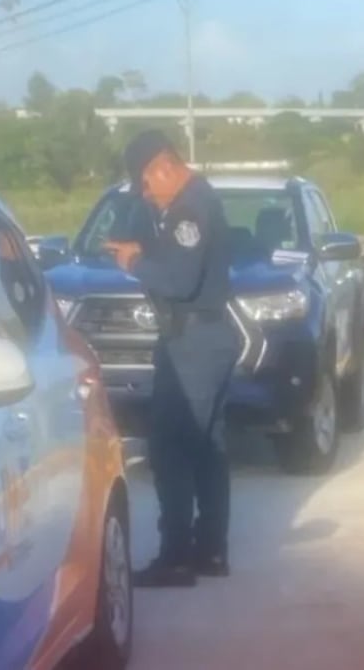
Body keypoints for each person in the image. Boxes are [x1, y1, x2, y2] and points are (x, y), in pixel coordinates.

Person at [104, 130, 239, 588]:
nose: (146, 194)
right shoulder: (196, 200)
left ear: (164, 166)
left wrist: (133, 264)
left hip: (193, 344)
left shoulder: (188, 210)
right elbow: (184, 266)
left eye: (146, 184)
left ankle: (177, 557)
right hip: (206, 336)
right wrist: (145, 248)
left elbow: (180, 282)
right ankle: (211, 550)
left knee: (170, 449)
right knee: (208, 449)